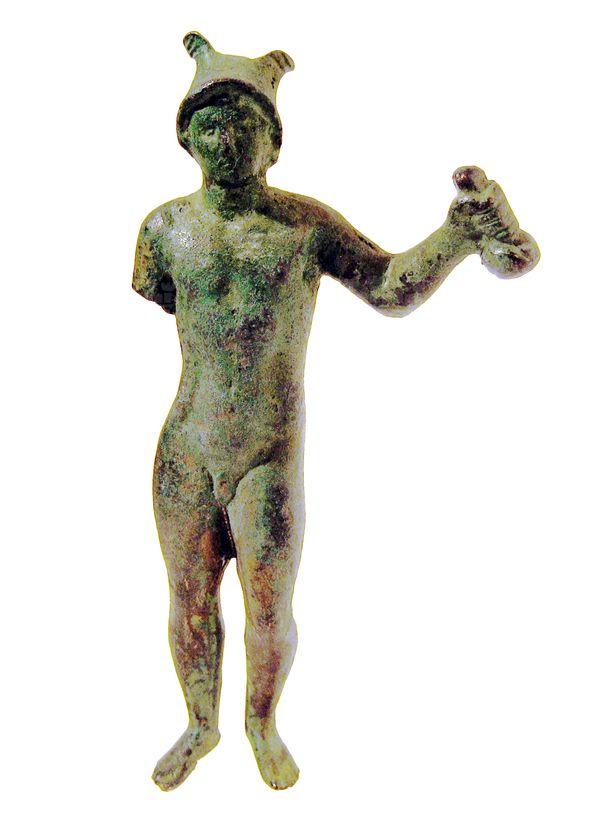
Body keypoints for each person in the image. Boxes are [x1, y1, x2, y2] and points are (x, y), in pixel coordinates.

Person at [133, 32, 539, 791]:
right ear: (184, 136)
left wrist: (456, 237)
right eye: (210, 121)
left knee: (267, 607)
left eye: (245, 121)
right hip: (185, 447)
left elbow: (388, 286)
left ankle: (260, 723)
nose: (227, 137)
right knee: (188, 597)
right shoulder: (163, 231)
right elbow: (159, 294)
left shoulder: (303, 227)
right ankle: (199, 723)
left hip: (267, 455)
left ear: (274, 142)